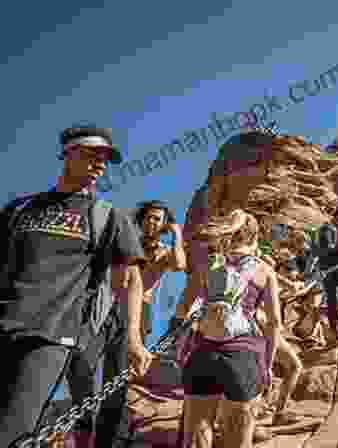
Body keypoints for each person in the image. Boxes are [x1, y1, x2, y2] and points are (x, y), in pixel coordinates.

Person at [0, 125, 151, 448]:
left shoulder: (107, 216)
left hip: (50, 336)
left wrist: (135, 340)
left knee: (11, 431)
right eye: (92, 154)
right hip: (4, 323)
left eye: (105, 159)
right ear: (67, 154)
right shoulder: (19, 209)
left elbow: (131, 280)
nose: (100, 164)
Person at [178, 211, 282, 448]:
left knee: (196, 435)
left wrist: (183, 348)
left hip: (203, 354)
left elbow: (184, 309)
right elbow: (275, 323)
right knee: (237, 437)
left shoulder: (208, 264)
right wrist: (267, 366)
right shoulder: (264, 270)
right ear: (255, 237)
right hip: (241, 356)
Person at [132, 200, 187, 343]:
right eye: (148, 217)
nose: (151, 221)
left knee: (134, 357)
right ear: (141, 220)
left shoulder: (165, 252)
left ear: (164, 224)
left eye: (157, 219)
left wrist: (177, 234)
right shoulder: (129, 244)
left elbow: (179, 265)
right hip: (118, 304)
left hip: (142, 306)